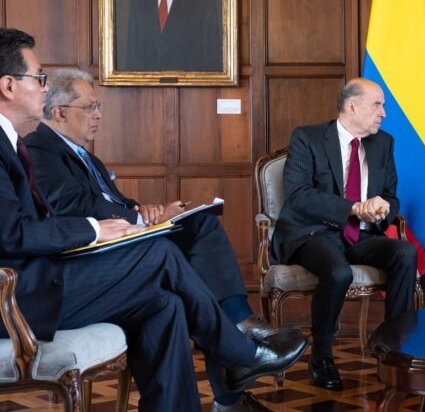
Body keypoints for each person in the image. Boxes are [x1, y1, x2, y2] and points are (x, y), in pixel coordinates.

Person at [0, 28, 307, 412]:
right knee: (159, 254)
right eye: (38, 77)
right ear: (9, 86)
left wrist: (131, 218)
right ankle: (241, 354)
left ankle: (228, 364)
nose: (44, 88)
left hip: (40, 280)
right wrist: (95, 229)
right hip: (16, 297)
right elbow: (12, 233)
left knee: (165, 304)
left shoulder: (12, 142)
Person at [271, 78, 418, 390]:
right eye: (377, 105)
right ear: (352, 107)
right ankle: (322, 355)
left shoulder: (383, 143)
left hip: (361, 235)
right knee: (339, 272)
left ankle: (395, 349)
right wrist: (354, 208)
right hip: (315, 234)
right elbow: (298, 196)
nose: (384, 113)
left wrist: (382, 210)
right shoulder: (307, 138)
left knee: (405, 252)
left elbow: (391, 196)